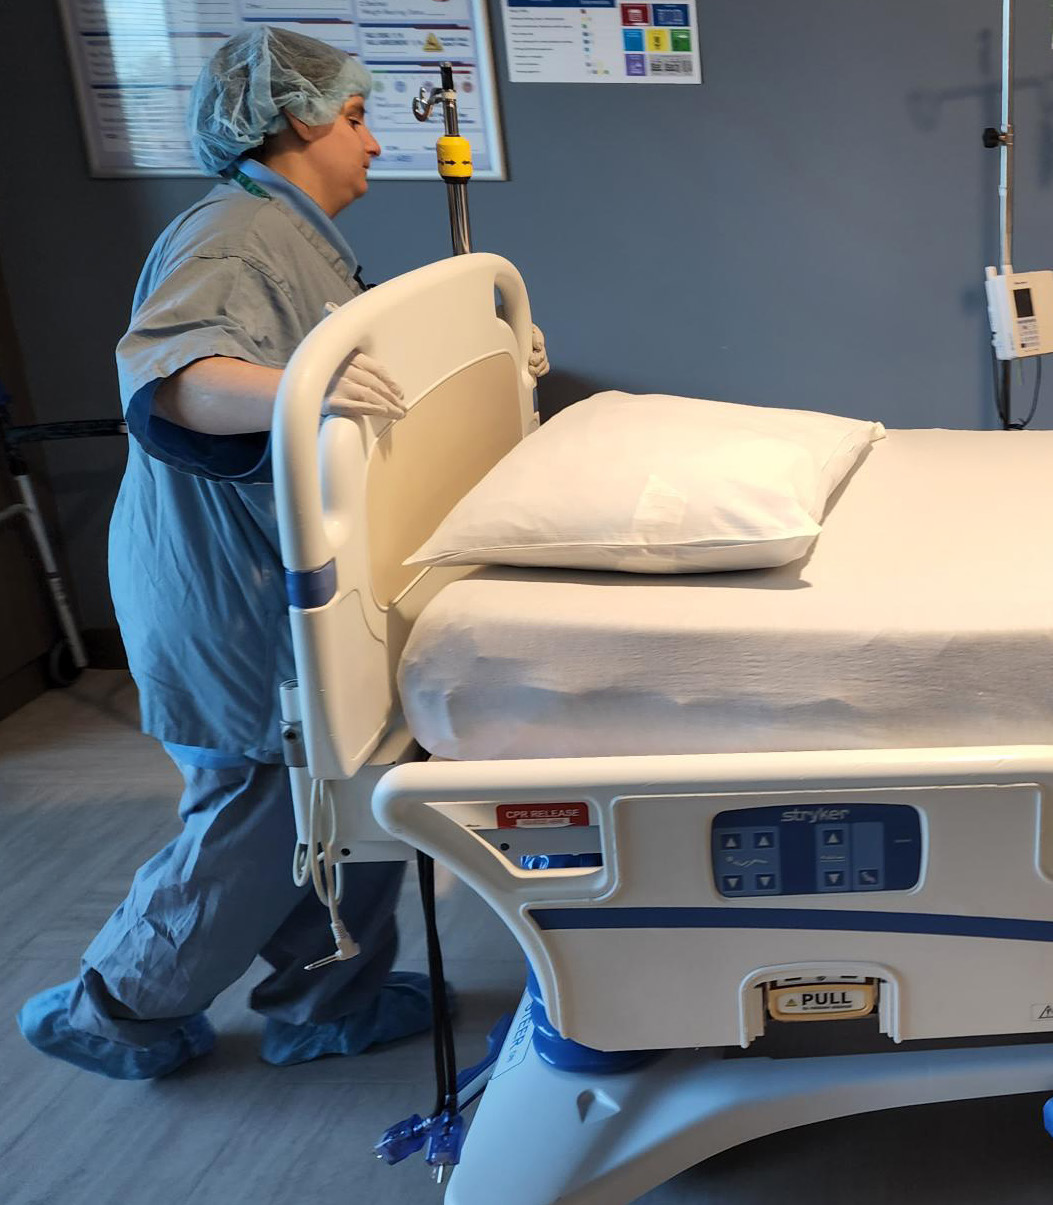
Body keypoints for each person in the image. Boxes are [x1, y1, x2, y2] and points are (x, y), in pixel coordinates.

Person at [17, 25, 549, 1080]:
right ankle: (120, 1001)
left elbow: (357, 356)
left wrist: (491, 351)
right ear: (299, 117)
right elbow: (174, 378)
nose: (371, 143)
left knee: (334, 777)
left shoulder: (293, 236)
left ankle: (327, 995)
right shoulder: (231, 236)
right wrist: (293, 391)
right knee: (265, 809)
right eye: (355, 118)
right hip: (231, 584)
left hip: (282, 568)